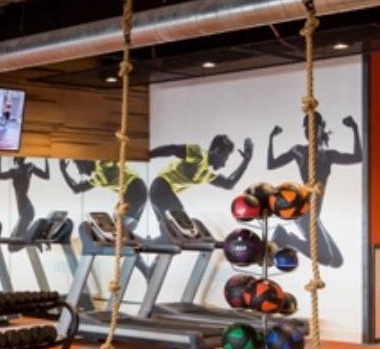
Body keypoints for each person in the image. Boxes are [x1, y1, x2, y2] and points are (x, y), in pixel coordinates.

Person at [267, 113, 363, 269]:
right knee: (325, 258)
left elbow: (357, 157)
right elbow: (272, 164)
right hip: (304, 211)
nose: (308, 130)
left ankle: (287, 237)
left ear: (321, 128)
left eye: (313, 126)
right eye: (305, 127)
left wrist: (355, 129)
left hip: (314, 214)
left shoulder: (329, 155)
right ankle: (286, 238)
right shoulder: (299, 151)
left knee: (337, 261)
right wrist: (271, 139)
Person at [148, 135, 254, 221]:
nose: (224, 164)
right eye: (225, 157)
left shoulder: (207, 174)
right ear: (217, 150)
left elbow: (229, 184)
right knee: (180, 219)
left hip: (159, 193)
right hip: (161, 186)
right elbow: (172, 149)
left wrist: (246, 161)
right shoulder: (199, 154)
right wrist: (148, 155)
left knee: (169, 231)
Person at [61, 158, 148, 227]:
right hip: (136, 191)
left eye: (78, 166)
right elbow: (76, 189)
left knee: (119, 222)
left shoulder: (102, 163)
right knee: (121, 224)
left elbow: (113, 157)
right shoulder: (97, 178)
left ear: (85, 161)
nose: (80, 172)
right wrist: (63, 171)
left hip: (135, 187)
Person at [0, 157, 51, 245]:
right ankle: (37, 237)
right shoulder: (21, 170)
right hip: (25, 211)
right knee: (13, 239)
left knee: (13, 245)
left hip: (26, 210)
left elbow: (46, 176)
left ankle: (36, 239)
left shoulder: (22, 169)